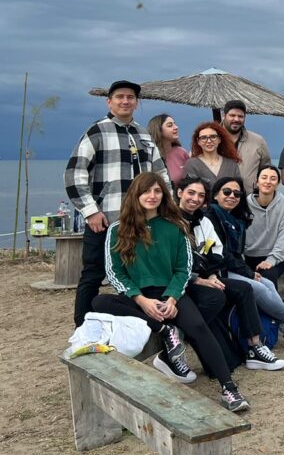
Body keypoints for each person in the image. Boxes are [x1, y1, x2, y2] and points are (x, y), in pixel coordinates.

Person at [90, 172, 250, 411]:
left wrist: (172, 299)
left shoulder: (175, 227)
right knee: (100, 301)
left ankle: (230, 390)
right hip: (137, 296)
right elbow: (115, 273)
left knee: (199, 327)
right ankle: (165, 330)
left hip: (170, 293)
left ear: (164, 195)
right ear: (135, 194)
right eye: (146, 191)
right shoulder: (117, 229)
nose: (152, 196)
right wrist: (142, 301)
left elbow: (183, 269)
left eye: (157, 191)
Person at [66, 79, 170, 327]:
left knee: (138, 274)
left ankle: (139, 325)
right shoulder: (96, 132)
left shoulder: (143, 135)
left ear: (137, 102)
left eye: (130, 97)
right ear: (109, 102)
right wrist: (91, 211)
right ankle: (82, 327)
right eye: (120, 97)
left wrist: (167, 210)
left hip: (141, 221)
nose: (125, 101)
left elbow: (161, 175)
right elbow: (74, 174)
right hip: (105, 219)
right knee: (93, 274)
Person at [175, 175, 284, 365]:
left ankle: (256, 347)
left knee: (248, 287)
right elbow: (175, 261)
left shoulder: (205, 221)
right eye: (191, 193)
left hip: (210, 275)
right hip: (184, 282)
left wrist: (211, 274)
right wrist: (200, 278)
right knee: (244, 289)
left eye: (200, 195)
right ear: (180, 192)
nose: (195, 199)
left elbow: (216, 252)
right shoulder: (173, 221)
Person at [201, 175, 284, 347]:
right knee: (258, 287)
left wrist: (248, 271)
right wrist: (248, 272)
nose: (232, 196)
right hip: (215, 272)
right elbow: (222, 255)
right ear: (216, 195)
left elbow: (235, 255)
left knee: (266, 283)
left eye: (237, 194)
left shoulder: (234, 219)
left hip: (229, 268)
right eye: (227, 192)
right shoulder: (210, 217)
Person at [244, 164, 284, 285]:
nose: (268, 182)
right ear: (257, 181)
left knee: (267, 278)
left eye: (273, 178)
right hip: (248, 257)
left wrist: (271, 260)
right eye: (264, 177)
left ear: (278, 183)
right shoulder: (244, 204)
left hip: (275, 257)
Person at [221, 100, 271, 193]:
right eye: (232, 115)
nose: (236, 119)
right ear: (224, 115)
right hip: (217, 197)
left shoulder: (258, 141)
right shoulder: (210, 139)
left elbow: (266, 170)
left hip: (249, 197)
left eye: (240, 116)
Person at [182, 121, 243, 189]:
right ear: (198, 142)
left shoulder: (231, 164)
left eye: (213, 137)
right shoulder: (192, 164)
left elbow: (239, 189)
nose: (209, 141)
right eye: (204, 138)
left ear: (219, 139)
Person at [147, 114, 189, 184]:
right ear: (158, 130)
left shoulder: (182, 152)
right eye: (170, 125)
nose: (176, 127)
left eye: (175, 124)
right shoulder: (150, 155)